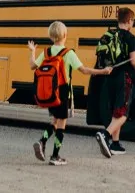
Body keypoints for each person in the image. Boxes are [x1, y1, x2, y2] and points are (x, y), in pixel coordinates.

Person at [28, 21, 110, 166]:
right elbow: (84, 70)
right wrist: (103, 71)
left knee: (54, 120)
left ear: (51, 36)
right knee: (61, 124)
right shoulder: (68, 53)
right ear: (65, 35)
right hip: (64, 92)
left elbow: (32, 66)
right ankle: (54, 155)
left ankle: (42, 142)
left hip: (50, 92)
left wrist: (32, 51)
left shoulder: (46, 52)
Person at [95, 7, 135, 157]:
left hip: (109, 77)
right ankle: (105, 134)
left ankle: (115, 144)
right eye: (133, 21)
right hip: (123, 78)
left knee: (116, 111)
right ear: (129, 21)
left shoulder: (109, 34)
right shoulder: (129, 37)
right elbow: (133, 61)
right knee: (124, 113)